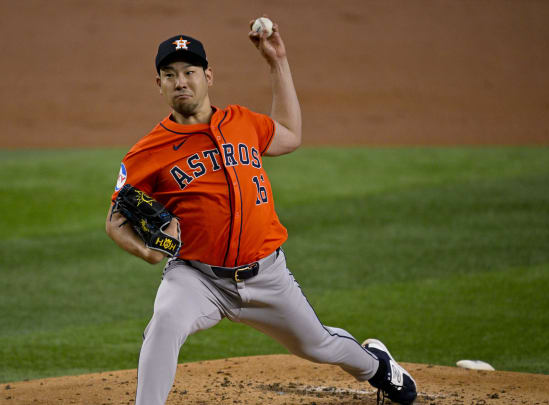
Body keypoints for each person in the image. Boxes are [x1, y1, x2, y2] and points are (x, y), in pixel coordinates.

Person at [105, 18, 417, 405]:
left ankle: (379, 368)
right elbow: (116, 217)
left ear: (208, 76)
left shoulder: (242, 121)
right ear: (160, 84)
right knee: (165, 323)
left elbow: (290, 134)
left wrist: (277, 62)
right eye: (169, 75)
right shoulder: (146, 152)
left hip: (267, 275)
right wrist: (146, 251)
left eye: (189, 72)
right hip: (197, 278)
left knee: (318, 344)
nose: (181, 81)